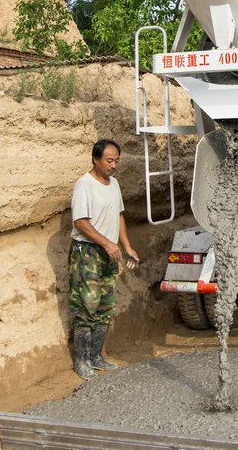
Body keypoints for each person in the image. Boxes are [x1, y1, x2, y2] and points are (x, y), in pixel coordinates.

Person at [69, 139, 139, 379]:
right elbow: (80, 222)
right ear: (95, 159)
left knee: (105, 305)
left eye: (117, 160)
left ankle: (96, 356)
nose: (114, 165)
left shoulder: (114, 184)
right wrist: (107, 243)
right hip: (87, 253)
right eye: (109, 160)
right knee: (86, 306)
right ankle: (81, 361)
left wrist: (126, 247)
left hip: (110, 253)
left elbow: (118, 216)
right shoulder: (84, 185)